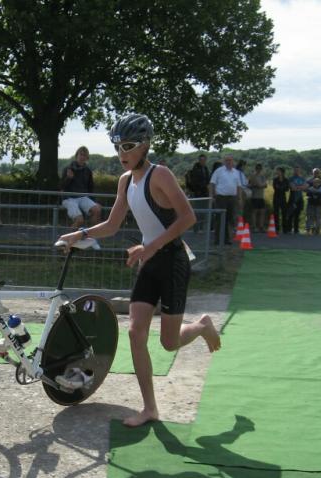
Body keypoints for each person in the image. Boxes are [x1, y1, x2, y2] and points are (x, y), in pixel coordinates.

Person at [58, 114, 220, 428]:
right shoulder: (124, 181)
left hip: (172, 261)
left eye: (128, 146)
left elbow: (188, 217)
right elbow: (112, 225)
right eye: (118, 146)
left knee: (169, 343)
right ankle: (150, 408)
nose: (122, 153)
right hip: (149, 261)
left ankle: (201, 325)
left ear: (145, 146)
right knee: (135, 333)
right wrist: (80, 234)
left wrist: (152, 246)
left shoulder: (161, 175)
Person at [60, 146, 101, 227]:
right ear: (76, 155)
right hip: (69, 198)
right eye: (81, 154)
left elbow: (90, 188)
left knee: (97, 210)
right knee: (79, 220)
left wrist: (94, 201)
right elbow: (61, 186)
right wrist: (68, 178)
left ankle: (91, 233)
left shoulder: (88, 171)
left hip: (83, 197)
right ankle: (70, 235)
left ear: (87, 158)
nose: (82, 157)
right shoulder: (68, 168)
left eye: (85, 155)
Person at [208, 155, 241, 245]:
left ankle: (227, 239)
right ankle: (218, 239)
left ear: (233, 161)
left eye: (230, 160)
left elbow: (238, 186)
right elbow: (212, 183)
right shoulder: (219, 171)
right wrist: (212, 196)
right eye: (227, 160)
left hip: (232, 198)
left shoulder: (236, 172)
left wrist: (239, 198)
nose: (228, 162)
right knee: (220, 218)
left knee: (230, 219)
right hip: (221, 197)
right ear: (224, 162)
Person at [305, 169, 321, 235]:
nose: (316, 183)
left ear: (319, 183)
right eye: (315, 182)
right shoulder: (310, 188)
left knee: (317, 217)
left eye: (318, 182)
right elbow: (307, 195)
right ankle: (308, 229)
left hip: (318, 204)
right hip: (310, 204)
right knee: (309, 216)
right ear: (313, 183)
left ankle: (317, 229)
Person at [248, 163, 268, 232]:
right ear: (255, 169)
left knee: (262, 211)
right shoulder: (252, 176)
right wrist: (257, 185)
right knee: (254, 211)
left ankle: (261, 226)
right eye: (257, 168)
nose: (258, 170)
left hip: (261, 196)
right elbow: (249, 184)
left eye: (260, 169)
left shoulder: (263, 176)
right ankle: (254, 226)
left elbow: (265, 185)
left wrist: (260, 185)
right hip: (254, 196)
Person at [288, 166, 307, 234]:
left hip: (300, 198)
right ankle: (289, 229)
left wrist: (297, 187)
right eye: (295, 170)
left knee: (297, 214)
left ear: (300, 171)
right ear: (293, 171)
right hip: (292, 198)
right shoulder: (291, 178)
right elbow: (293, 188)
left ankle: (296, 229)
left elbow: (305, 187)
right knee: (291, 214)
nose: (297, 171)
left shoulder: (302, 178)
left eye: (298, 170)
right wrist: (300, 187)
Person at [272, 167, 290, 234]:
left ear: (282, 172)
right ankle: (277, 228)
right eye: (277, 171)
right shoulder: (275, 179)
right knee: (276, 213)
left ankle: (285, 229)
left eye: (278, 171)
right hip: (276, 198)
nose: (277, 172)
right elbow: (275, 187)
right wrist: (282, 188)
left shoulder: (286, 180)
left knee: (284, 213)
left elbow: (287, 189)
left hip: (283, 198)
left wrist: (280, 187)